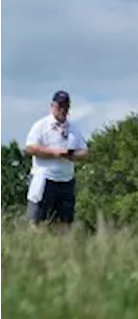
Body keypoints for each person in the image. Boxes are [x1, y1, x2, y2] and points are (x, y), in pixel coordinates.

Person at [24, 91, 89, 229]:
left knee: (64, 224)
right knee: (37, 221)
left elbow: (84, 152)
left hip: (66, 181)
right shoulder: (41, 125)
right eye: (59, 106)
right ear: (52, 106)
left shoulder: (74, 128)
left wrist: (71, 156)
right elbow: (30, 148)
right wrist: (54, 153)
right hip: (44, 179)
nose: (63, 110)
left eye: (66, 106)